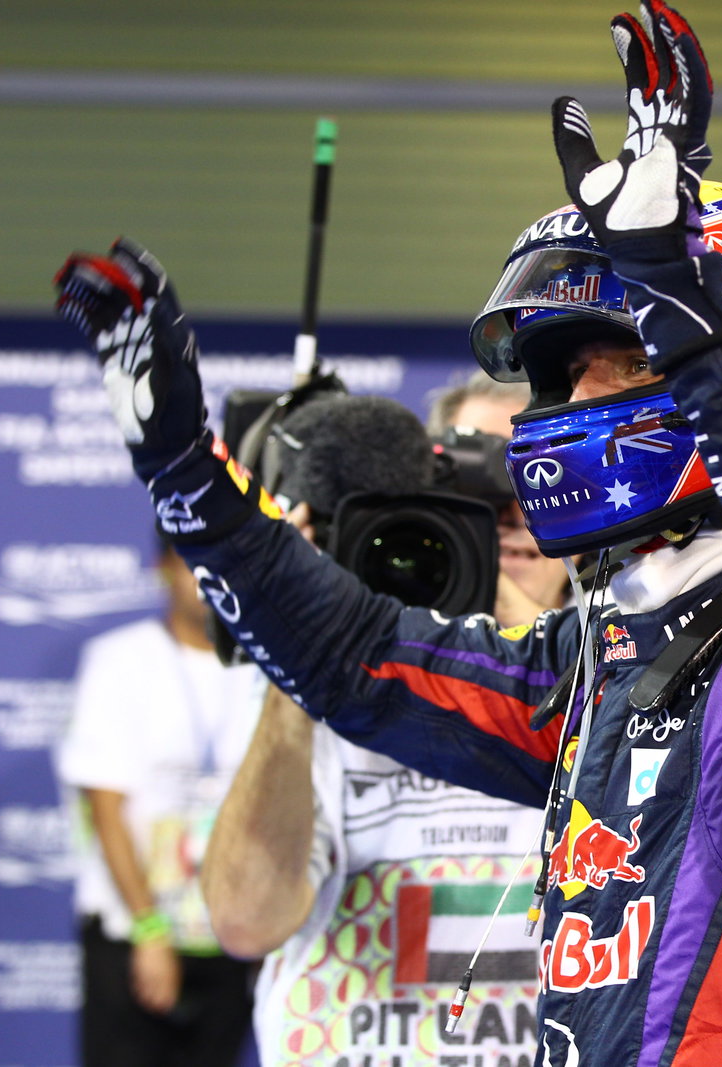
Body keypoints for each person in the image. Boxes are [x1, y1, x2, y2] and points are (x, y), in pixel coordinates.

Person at [50, 3, 722, 1064]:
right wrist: (191, 477)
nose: (563, 400)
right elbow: (357, 657)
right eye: (555, 371)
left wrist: (684, 301)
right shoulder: (610, 656)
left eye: (613, 354)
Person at [202, 390, 553, 1067]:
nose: (499, 518)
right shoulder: (322, 688)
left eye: (520, 492)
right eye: (465, 498)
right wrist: (299, 640)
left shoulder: (620, 687)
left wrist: (507, 610)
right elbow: (246, 918)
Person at [56, 531, 263, 1067]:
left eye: (220, 564)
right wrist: (150, 931)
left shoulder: (267, 669)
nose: (205, 582)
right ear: (163, 569)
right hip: (134, 934)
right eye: (190, 564)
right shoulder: (120, 661)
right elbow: (105, 810)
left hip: (231, 939)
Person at [427, 370, 572, 629]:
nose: (515, 512)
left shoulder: (640, 628)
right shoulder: (391, 629)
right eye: (476, 473)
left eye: (538, 474)